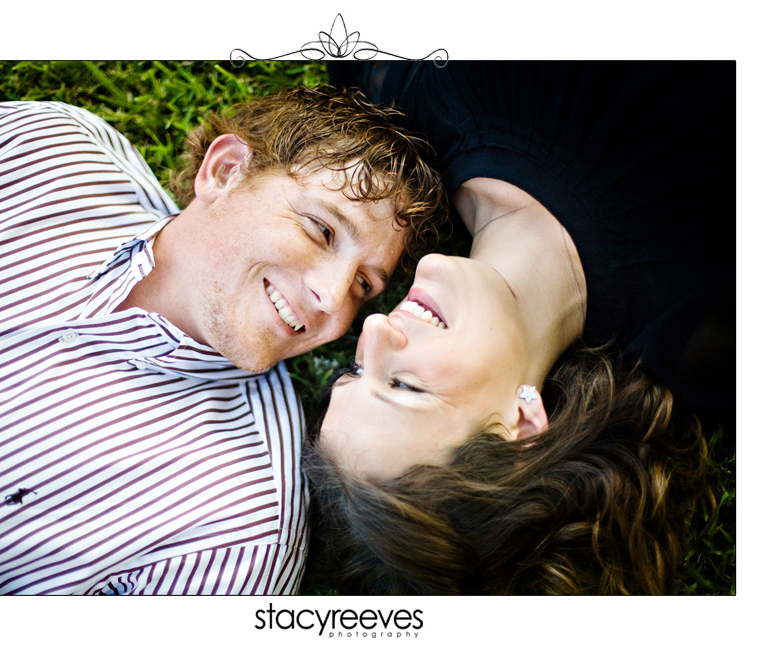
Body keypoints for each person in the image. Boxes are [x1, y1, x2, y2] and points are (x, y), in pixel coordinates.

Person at [0, 85, 446, 595]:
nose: (334, 300)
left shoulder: (239, 534)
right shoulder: (40, 151)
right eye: (321, 230)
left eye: (363, 285)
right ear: (225, 172)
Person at [303, 61, 734, 594]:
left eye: (355, 369)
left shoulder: (395, 110)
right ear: (523, 428)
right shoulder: (712, 321)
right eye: (404, 386)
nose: (371, 330)